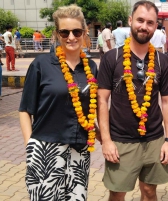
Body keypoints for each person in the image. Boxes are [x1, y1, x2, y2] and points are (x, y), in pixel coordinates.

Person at [96, 1, 168, 200]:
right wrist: (106, 140)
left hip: (154, 139)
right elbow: (102, 100)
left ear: (156, 26)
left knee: (149, 192)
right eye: (140, 20)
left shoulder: (161, 61)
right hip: (121, 141)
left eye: (150, 22)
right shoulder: (111, 58)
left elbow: (167, 101)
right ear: (131, 21)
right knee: (117, 193)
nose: (144, 26)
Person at [19, 4, 98, 200]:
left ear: (85, 32)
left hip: (79, 150)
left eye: (76, 31)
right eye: (65, 32)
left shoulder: (91, 67)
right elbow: (25, 109)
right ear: (57, 34)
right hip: (45, 148)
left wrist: (104, 137)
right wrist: (31, 146)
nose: (71, 37)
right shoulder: (41, 65)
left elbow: (91, 109)